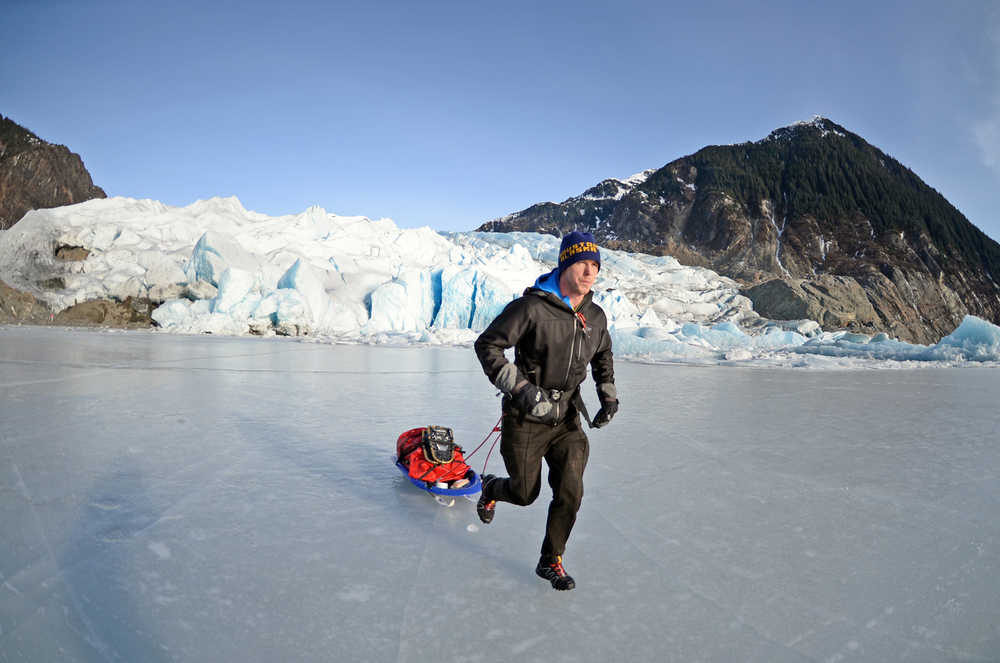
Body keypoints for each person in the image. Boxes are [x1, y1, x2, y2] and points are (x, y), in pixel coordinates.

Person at [473, 231, 618, 591]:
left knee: (571, 490)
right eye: (583, 263)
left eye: (595, 265)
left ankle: (550, 559)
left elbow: (603, 355)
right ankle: (492, 487)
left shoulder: (595, 316)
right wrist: (521, 390)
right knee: (525, 493)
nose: (590, 272)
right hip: (525, 419)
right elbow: (488, 345)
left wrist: (608, 395)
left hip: (567, 418)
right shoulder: (531, 308)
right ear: (565, 263)